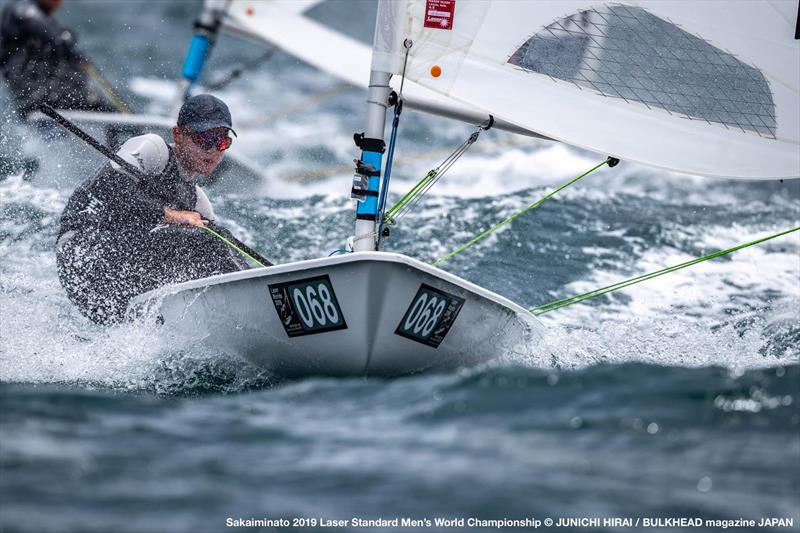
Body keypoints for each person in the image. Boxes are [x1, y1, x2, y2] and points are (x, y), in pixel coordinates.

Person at [56, 94, 249, 325]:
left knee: (216, 243)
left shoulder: (198, 202)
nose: (213, 150)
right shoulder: (153, 150)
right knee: (209, 241)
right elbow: (111, 187)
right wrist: (168, 214)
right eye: (204, 138)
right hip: (83, 255)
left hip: (117, 294)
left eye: (222, 142)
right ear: (178, 135)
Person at [0, 0, 114, 117]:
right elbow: (41, 26)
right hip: (38, 100)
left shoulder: (42, 18)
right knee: (102, 109)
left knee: (107, 110)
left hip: (55, 98)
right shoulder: (22, 9)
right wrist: (65, 40)